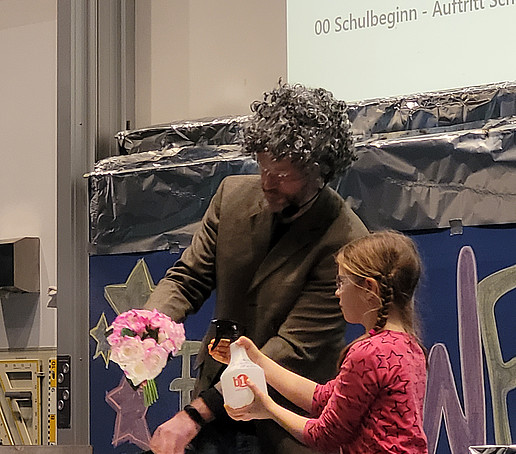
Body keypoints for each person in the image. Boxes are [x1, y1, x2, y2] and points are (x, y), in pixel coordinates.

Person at [146, 82, 369, 454]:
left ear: (321, 170)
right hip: (216, 402)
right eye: (263, 166)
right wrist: (147, 325)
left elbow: (290, 349)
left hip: (284, 419)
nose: (267, 182)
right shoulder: (231, 196)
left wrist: (194, 416)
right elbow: (188, 279)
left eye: (282, 175)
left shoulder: (346, 240)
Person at [210, 231, 428, 454]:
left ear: (369, 288)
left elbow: (324, 435)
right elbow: (322, 398)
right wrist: (255, 359)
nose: (337, 292)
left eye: (342, 282)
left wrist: (268, 408)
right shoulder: (410, 348)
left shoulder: (369, 353)